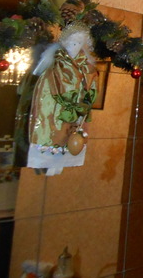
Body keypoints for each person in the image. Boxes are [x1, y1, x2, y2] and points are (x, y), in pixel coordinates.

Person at [27, 22, 97, 174]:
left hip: (76, 114)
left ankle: (57, 163)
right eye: (72, 41)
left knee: (73, 137)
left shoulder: (87, 68)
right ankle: (47, 162)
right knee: (54, 135)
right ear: (65, 42)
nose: (75, 45)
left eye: (79, 42)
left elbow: (90, 90)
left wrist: (84, 106)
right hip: (55, 111)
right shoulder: (56, 65)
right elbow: (50, 87)